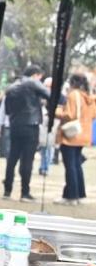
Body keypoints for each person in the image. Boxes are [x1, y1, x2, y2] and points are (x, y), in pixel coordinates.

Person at [3, 64, 49, 201]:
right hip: (31, 125)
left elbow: (7, 110)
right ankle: (25, 192)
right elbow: (49, 95)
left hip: (15, 125)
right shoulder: (32, 83)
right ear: (35, 75)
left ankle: (7, 190)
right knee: (27, 160)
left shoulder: (11, 88)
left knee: (12, 159)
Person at [54, 73, 95, 205]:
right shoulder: (89, 96)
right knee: (76, 165)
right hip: (83, 134)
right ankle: (79, 195)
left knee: (70, 165)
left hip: (71, 135)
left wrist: (57, 111)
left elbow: (70, 114)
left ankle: (71, 196)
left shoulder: (73, 95)